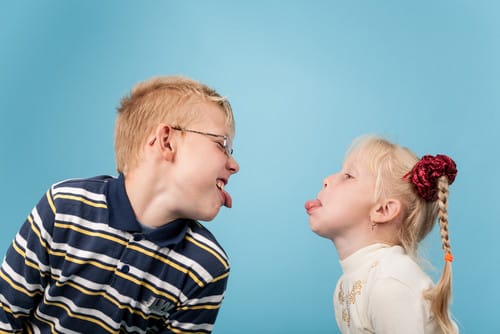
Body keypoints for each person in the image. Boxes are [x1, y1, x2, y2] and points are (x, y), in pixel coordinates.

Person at [0, 75, 240, 333]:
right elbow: (5, 315)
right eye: (222, 145)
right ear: (166, 141)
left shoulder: (206, 266)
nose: (234, 165)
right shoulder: (64, 207)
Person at [305, 135, 458, 333]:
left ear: (383, 210)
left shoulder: (389, 283)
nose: (327, 180)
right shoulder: (345, 285)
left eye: (349, 176)